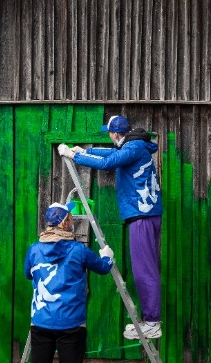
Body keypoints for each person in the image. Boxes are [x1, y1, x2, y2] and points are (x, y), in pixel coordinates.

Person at [17, 202, 114, 363]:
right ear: (63, 222)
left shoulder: (34, 250)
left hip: (41, 323)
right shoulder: (78, 250)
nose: (73, 220)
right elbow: (103, 268)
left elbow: (29, 275)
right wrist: (107, 256)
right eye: (70, 217)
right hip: (71, 324)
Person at [59, 115, 163, 340]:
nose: (109, 136)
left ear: (116, 134)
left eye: (109, 132)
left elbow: (108, 163)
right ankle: (150, 320)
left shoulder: (133, 148)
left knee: (144, 270)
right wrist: (87, 151)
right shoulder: (134, 146)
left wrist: (74, 156)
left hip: (142, 215)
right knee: (144, 268)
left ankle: (152, 322)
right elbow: (111, 155)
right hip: (144, 215)